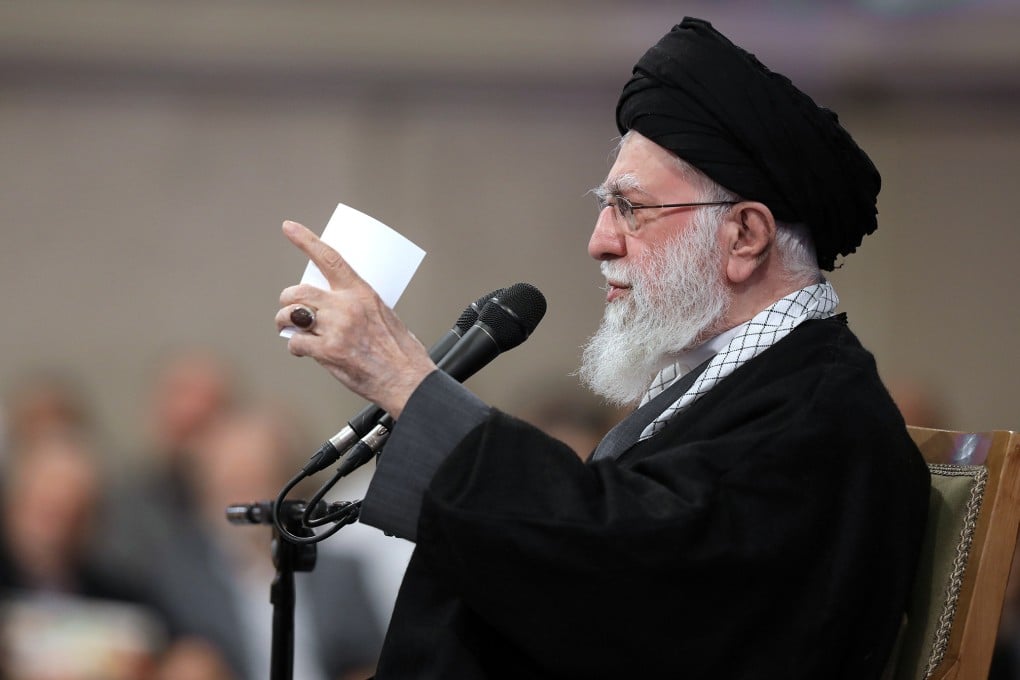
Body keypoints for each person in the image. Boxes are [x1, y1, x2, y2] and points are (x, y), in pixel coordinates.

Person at [274, 17, 930, 679]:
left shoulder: (820, 419)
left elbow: (629, 581)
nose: (599, 241)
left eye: (630, 208)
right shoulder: (740, 382)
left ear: (745, 236)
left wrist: (410, 384)